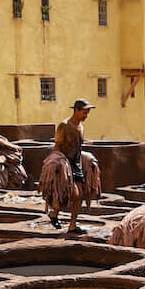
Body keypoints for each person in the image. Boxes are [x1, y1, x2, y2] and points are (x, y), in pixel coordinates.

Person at [39, 99, 98, 233]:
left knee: (80, 194)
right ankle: (54, 213)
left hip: (76, 164)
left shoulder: (81, 127)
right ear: (76, 110)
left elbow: (78, 146)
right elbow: (57, 146)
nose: (86, 115)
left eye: (87, 112)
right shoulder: (64, 126)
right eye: (84, 112)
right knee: (71, 193)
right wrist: (57, 163)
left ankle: (71, 225)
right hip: (64, 164)